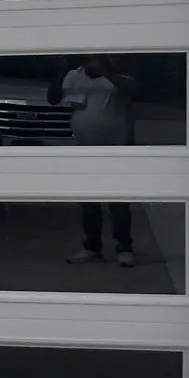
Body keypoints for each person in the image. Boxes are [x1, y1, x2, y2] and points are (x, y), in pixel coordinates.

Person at [52, 55, 135, 267]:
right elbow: (53, 98)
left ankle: (124, 249)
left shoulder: (118, 77)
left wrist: (106, 71)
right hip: (85, 148)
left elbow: (133, 91)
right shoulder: (75, 76)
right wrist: (59, 71)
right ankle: (92, 247)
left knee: (118, 202)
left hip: (116, 149)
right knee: (89, 201)